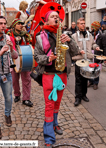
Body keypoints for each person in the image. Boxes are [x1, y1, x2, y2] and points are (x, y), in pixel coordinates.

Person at [34, 9, 78, 147]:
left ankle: (55, 124)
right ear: (47, 20)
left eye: (57, 17)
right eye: (53, 17)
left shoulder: (66, 34)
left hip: (62, 74)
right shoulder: (40, 37)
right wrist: (48, 58)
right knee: (49, 104)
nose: (56, 19)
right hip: (48, 75)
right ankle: (49, 136)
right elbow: (36, 57)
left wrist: (70, 41)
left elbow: (75, 52)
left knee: (57, 103)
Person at [72, 18, 100, 106]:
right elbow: (72, 48)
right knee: (78, 80)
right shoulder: (74, 36)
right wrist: (79, 51)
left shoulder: (89, 35)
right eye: (81, 23)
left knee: (85, 79)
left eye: (84, 23)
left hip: (88, 61)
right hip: (78, 61)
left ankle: (84, 95)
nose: (83, 25)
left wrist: (96, 47)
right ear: (78, 25)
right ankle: (78, 97)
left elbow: (93, 44)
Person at [7, 18, 33, 107]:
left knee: (26, 79)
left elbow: (30, 45)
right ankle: (17, 95)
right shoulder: (9, 34)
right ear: (14, 25)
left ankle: (26, 99)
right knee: (14, 80)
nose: (21, 25)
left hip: (25, 59)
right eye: (19, 24)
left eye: (22, 24)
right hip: (13, 59)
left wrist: (31, 37)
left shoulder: (25, 35)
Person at [87, 21, 101, 90]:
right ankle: (90, 81)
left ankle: (96, 83)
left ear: (95, 27)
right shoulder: (90, 34)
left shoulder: (101, 35)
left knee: (96, 69)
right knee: (90, 68)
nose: (91, 28)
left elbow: (104, 45)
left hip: (97, 54)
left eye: (92, 27)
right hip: (90, 54)